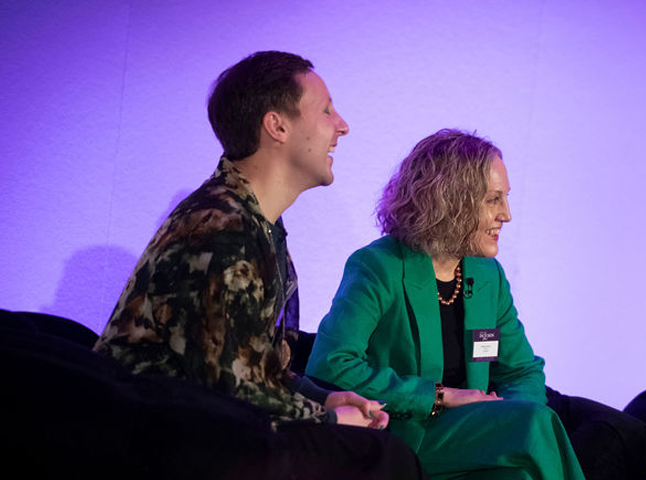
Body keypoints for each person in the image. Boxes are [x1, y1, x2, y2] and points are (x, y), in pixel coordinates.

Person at [93, 51, 426, 479]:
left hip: (208, 424)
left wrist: (324, 400)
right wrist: (325, 419)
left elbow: (255, 363)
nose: (341, 125)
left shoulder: (255, 222)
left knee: (381, 448)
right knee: (382, 458)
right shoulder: (221, 228)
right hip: (160, 435)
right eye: (325, 110)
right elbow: (228, 387)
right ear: (277, 126)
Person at [305, 129, 589, 480]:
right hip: (405, 433)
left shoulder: (488, 275)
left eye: (506, 199)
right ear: (451, 201)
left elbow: (521, 371)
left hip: (473, 434)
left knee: (520, 470)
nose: (507, 215)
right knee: (536, 422)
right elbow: (330, 366)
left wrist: (503, 413)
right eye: (493, 200)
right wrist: (439, 397)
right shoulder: (379, 266)